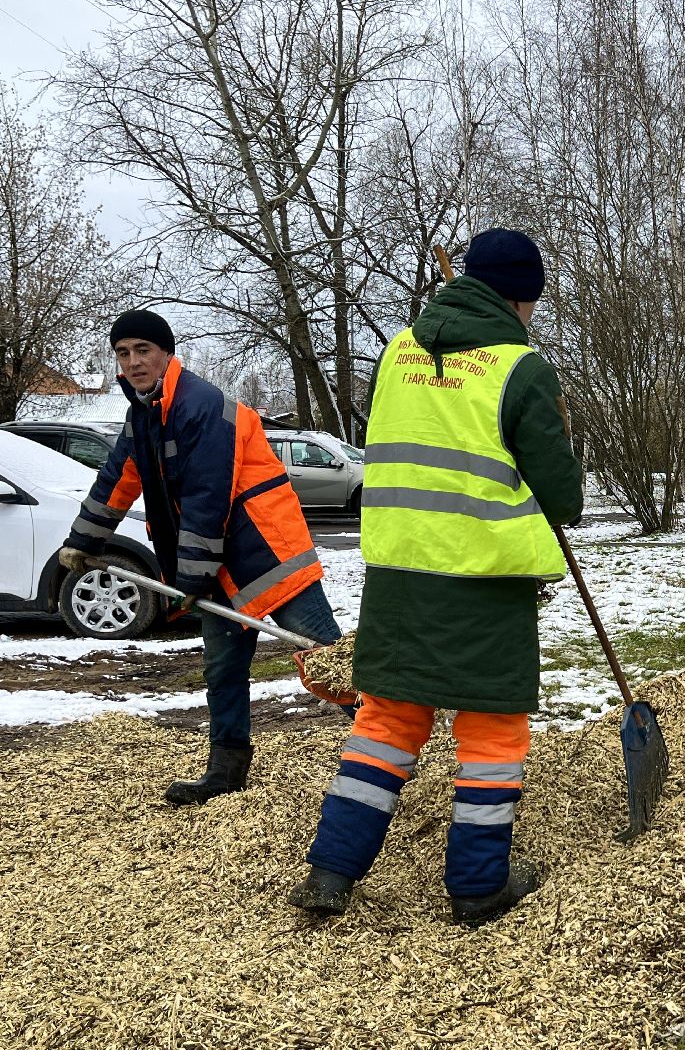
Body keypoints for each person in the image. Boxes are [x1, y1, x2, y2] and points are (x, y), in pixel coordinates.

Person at [288, 228, 583, 926]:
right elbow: (564, 499)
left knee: (387, 720)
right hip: (485, 579)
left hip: (399, 574)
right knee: (491, 733)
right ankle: (479, 886)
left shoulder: (398, 351)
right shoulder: (522, 367)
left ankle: (331, 872)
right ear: (521, 297)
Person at [59, 309, 342, 805]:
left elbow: (209, 494)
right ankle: (226, 769)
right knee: (222, 670)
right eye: (123, 353)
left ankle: (393, 750)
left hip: (266, 554)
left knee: (327, 660)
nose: (133, 362)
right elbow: (116, 479)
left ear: (166, 353)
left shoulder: (202, 405)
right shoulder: (143, 415)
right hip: (213, 564)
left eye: (143, 350)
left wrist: (190, 576)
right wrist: (83, 540)